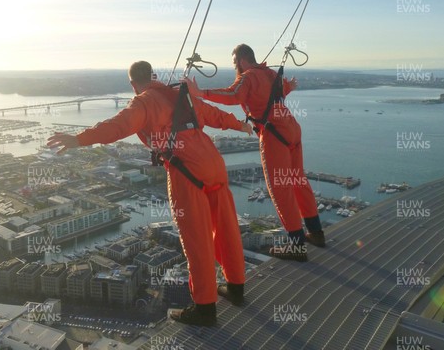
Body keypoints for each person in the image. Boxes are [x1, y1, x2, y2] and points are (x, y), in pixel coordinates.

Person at [47, 61, 252, 326]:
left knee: (197, 240)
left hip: (186, 171)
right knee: (226, 227)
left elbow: (118, 126)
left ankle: (205, 308)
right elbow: (214, 115)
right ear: (153, 76)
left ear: (133, 84)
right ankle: (236, 288)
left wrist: (79, 139)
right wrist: (242, 126)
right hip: (214, 164)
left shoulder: (142, 103)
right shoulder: (181, 95)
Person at [184, 44, 325, 262]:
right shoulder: (270, 73)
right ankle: (316, 232)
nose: (234, 67)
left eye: (234, 62)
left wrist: (200, 93)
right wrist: (290, 86)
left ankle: (297, 246)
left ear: (240, 60)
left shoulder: (248, 77)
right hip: (292, 130)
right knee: (298, 180)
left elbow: (233, 95)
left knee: (280, 189)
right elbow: (279, 91)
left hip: (273, 134)